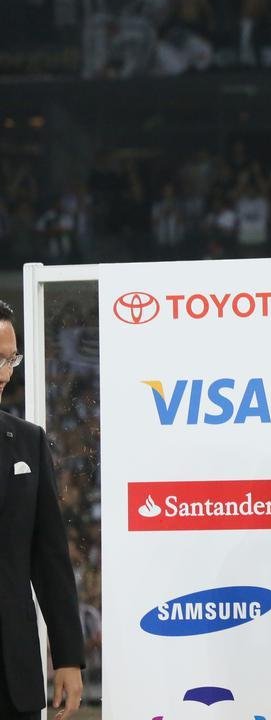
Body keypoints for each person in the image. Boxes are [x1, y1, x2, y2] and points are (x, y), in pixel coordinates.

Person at [0, 300, 85, 719]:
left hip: (11, 674)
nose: (4, 374)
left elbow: (49, 557)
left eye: (10, 359)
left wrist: (68, 656)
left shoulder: (28, 442)